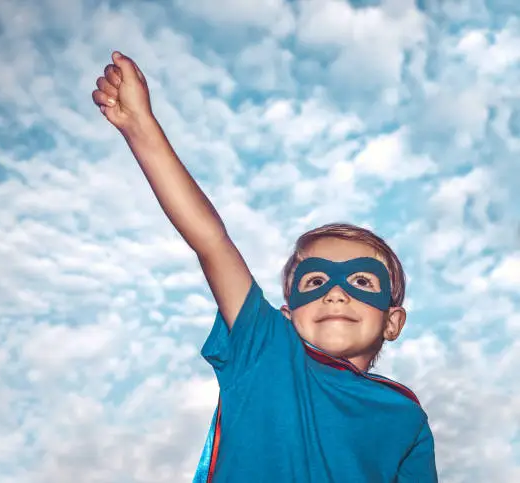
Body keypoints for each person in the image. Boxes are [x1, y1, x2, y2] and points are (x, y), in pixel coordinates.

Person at [92, 51, 438, 483]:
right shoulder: (268, 348)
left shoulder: (406, 417)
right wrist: (140, 126)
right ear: (288, 315)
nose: (336, 292)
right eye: (315, 280)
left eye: (362, 281)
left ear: (393, 320)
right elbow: (211, 241)